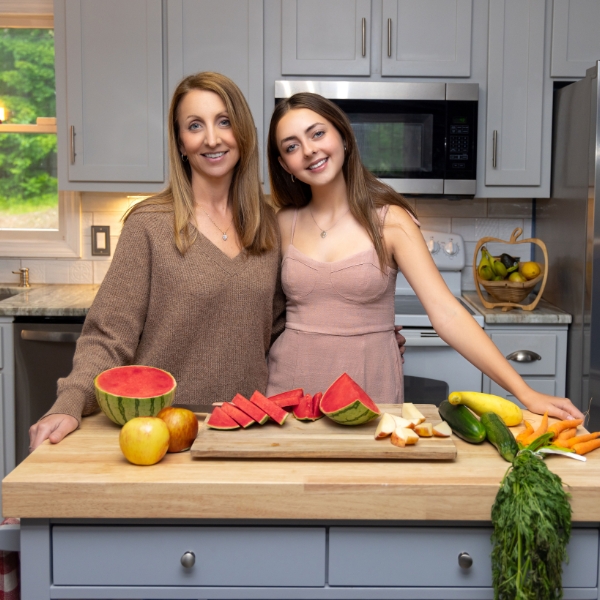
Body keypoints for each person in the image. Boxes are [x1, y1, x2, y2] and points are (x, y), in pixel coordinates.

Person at [265, 92, 584, 421]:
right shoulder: (280, 223)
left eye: (317, 133)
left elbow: (448, 314)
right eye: (291, 146)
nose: (309, 150)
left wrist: (526, 393)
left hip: (369, 389)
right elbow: (254, 310)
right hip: (288, 393)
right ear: (283, 164)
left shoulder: (392, 222)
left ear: (343, 137)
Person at [29, 72, 285, 450]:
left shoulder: (271, 228)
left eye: (224, 121)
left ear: (242, 133)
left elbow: (282, 329)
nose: (212, 138)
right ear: (181, 143)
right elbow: (108, 335)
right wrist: (68, 403)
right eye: (195, 125)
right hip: (159, 433)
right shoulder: (149, 224)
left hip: (247, 432)